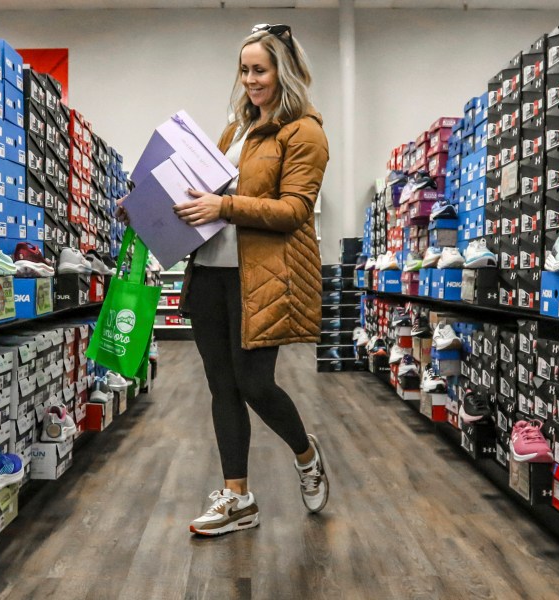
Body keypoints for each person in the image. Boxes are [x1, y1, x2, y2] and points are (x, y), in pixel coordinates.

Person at [118, 23, 329, 537]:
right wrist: (148, 204)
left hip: (260, 279)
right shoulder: (235, 130)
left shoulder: (304, 132)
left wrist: (225, 205)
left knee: (255, 383)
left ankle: (306, 455)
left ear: (286, 71)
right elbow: (202, 196)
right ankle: (238, 498)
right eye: (244, 70)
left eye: (259, 69)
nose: (250, 80)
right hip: (209, 272)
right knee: (221, 388)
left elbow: (295, 210)